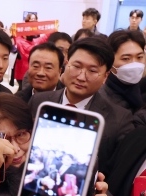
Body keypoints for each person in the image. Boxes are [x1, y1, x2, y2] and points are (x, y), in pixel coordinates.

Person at [29, 37, 134, 174]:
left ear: (105, 76)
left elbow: (117, 175)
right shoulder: (38, 101)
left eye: (92, 71)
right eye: (77, 66)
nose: (81, 77)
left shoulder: (120, 120)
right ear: (66, 65)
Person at [99, 30, 145, 114]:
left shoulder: (140, 90)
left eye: (139, 57)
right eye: (126, 58)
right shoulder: (102, 99)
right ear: (110, 60)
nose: (134, 64)